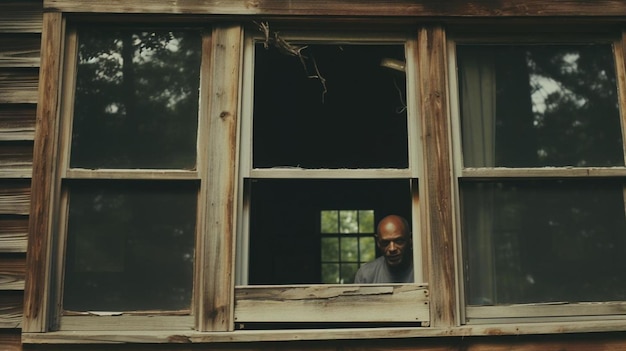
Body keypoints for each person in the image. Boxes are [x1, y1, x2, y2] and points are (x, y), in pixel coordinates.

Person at [353, 215, 414, 284]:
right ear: (378, 242)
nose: (392, 248)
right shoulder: (366, 275)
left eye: (399, 241)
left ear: (410, 239)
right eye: (385, 243)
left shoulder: (424, 272)